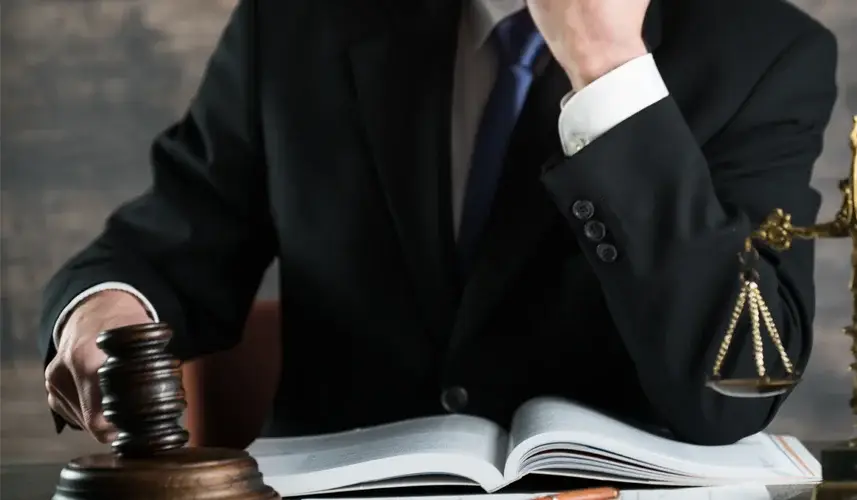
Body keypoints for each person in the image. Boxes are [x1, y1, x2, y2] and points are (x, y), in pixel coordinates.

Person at [42, 0, 839, 446]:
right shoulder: (295, 22)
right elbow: (169, 244)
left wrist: (608, 69)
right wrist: (101, 310)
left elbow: (734, 386)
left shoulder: (765, 51)